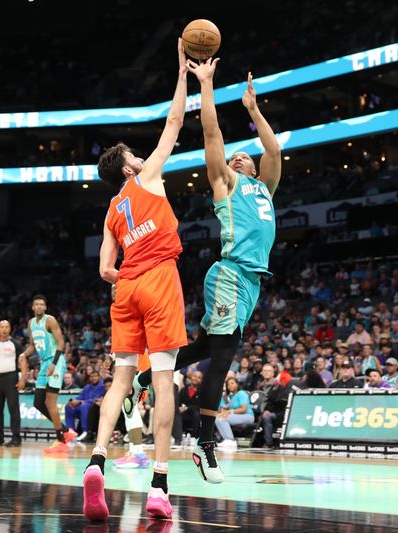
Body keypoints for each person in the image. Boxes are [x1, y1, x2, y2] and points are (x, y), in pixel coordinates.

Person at [128, 57, 282, 485]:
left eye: (242, 157)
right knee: (224, 355)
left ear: (253, 168)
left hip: (252, 283)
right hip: (230, 272)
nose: (236, 159)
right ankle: (203, 441)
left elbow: (273, 150)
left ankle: (146, 374)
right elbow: (212, 133)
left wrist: (253, 110)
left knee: (205, 347)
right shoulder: (227, 185)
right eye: (231, 159)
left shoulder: (265, 188)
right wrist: (207, 84)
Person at [82, 40, 190, 521]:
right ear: (128, 167)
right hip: (160, 278)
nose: (144, 156)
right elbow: (174, 122)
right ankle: (160, 485)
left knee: (119, 381)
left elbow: (105, 267)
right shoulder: (147, 179)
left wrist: (126, 265)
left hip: (125, 287)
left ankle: (97, 459)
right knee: (163, 380)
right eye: (136, 154)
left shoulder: (110, 209)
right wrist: (185, 72)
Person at [21, 295, 71, 454]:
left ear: (45, 307)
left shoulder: (50, 320)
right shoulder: (31, 323)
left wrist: (54, 364)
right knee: (38, 402)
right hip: (44, 364)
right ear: (32, 307)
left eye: (42, 304)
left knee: (50, 402)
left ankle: (61, 440)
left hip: (55, 362)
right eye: (36, 304)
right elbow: (32, 346)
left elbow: (61, 343)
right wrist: (24, 354)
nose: (39, 307)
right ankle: (65, 430)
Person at [214, 377, 254, 450]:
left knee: (223, 418)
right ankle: (227, 439)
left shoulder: (241, 393)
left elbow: (244, 409)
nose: (230, 386)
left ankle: (231, 440)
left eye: (232, 383)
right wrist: (222, 412)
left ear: (237, 384)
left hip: (248, 416)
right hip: (238, 416)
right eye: (228, 384)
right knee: (218, 418)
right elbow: (226, 407)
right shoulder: (232, 397)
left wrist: (229, 412)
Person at [65, 370, 105, 442]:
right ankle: (71, 430)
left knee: (84, 406)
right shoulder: (87, 387)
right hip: (83, 405)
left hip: (95, 408)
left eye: (95, 376)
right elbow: (80, 397)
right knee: (68, 406)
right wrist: (74, 401)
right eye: (91, 377)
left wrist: (81, 401)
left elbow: (96, 400)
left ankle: (85, 431)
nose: (93, 378)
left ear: (99, 377)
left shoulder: (102, 386)